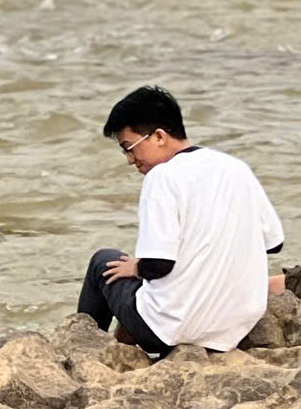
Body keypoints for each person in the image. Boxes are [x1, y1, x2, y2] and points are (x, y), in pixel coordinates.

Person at [78, 86, 285, 358]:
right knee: (145, 283)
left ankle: (79, 349)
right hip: (233, 328)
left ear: (159, 136)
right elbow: (274, 244)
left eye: (129, 148)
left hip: (170, 330)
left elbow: (158, 265)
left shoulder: (162, 177)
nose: (130, 160)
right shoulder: (235, 168)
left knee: (104, 262)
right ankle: (122, 346)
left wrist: (136, 266)